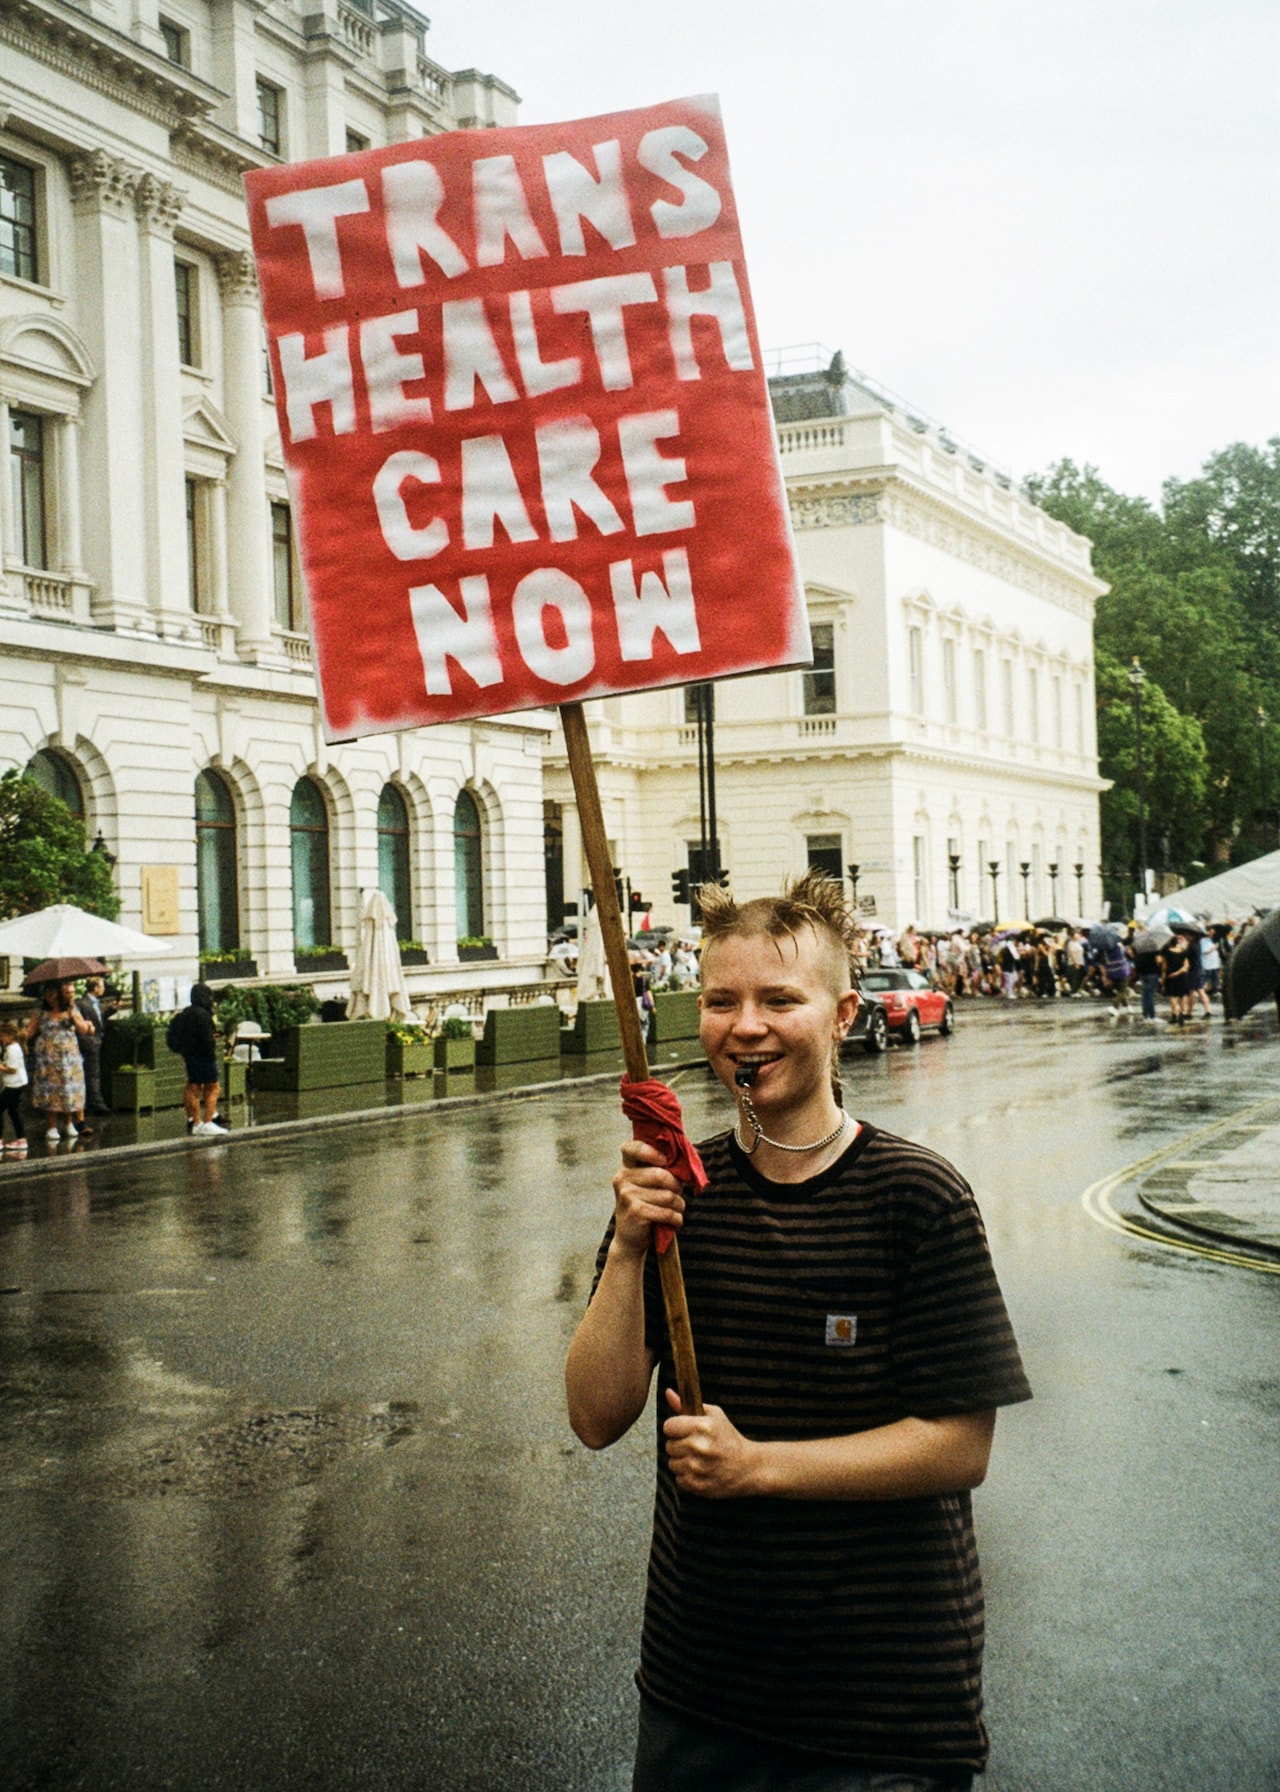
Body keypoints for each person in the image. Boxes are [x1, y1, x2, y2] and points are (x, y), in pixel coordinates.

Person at [566, 872, 1031, 1791]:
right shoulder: (677, 1192)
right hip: (699, 1695)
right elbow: (593, 1415)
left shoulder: (917, 1196)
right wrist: (628, 1245)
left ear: (844, 1013)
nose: (746, 1025)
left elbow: (959, 1446)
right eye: (720, 1000)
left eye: (781, 999)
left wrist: (758, 1466)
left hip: (880, 1712)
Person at [24, 981, 91, 1144]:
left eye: (53, 993)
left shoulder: (71, 1010)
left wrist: (76, 1019)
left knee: (68, 1089)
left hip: (69, 1058)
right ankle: (52, 1126)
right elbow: (29, 1031)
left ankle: (68, 1123)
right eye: (47, 993)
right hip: (48, 1059)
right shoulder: (40, 1013)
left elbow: (83, 1029)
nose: (50, 996)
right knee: (50, 1091)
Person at [168, 983, 226, 1135]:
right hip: (204, 1056)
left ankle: (195, 1122)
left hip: (189, 1055)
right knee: (213, 1088)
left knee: (192, 1087)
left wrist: (181, 1049)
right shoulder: (204, 1014)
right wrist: (212, 1046)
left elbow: (172, 1035)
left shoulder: (184, 1014)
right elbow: (207, 1038)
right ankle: (208, 1121)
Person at [76, 975, 113, 1117]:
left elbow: (98, 1021)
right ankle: (96, 1103)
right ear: (95, 988)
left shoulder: (96, 1003)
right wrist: (89, 1042)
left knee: (94, 1072)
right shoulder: (83, 1004)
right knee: (92, 1073)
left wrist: (110, 1011)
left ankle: (92, 1101)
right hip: (90, 1043)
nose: (103, 989)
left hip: (97, 1041)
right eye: (102, 986)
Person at [0, 1018, 29, 1155]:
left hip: (13, 1085)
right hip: (18, 1083)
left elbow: (12, 1069)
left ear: (9, 1035)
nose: (1, 1039)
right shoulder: (14, 1047)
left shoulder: (12, 1050)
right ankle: (21, 1139)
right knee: (13, 1111)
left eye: (2, 1036)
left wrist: (0, 1067)